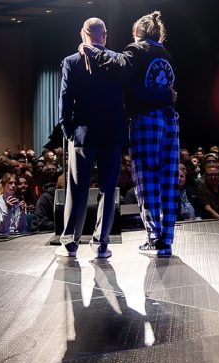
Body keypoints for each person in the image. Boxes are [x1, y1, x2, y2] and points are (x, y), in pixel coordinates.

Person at [83, 11, 179, 257]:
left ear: (138, 33)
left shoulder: (137, 50)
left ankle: (154, 238)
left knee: (146, 179)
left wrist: (93, 50)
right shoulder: (165, 54)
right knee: (168, 180)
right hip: (170, 120)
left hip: (146, 120)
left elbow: (118, 64)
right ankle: (166, 239)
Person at [55, 17, 127, 260]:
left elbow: (65, 98)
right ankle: (101, 244)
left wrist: (67, 131)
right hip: (112, 133)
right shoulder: (117, 59)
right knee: (108, 190)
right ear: (105, 35)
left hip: (83, 134)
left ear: (82, 34)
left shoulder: (72, 62)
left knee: (77, 189)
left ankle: (70, 243)